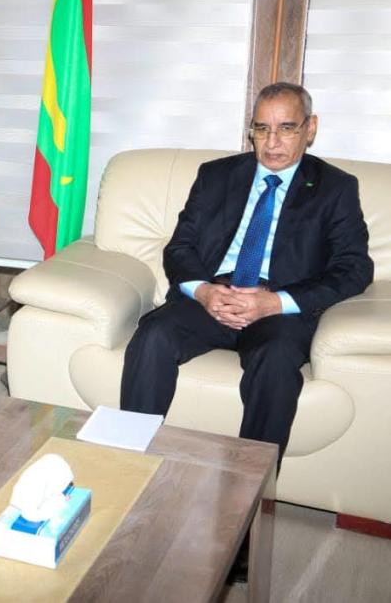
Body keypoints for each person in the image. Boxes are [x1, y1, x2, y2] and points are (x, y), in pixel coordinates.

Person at [120, 81, 373, 461]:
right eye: (261, 128)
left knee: (275, 359)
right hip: (212, 297)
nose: (272, 142)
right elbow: (180, 247)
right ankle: (125, 460)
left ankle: (249, 481)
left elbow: (354, 267)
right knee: (153, 334)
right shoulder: (216, 176)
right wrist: (203, 291)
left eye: (286, 128)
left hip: (279, 311)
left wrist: (276, 302)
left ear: (310, 128)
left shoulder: (335, 188)